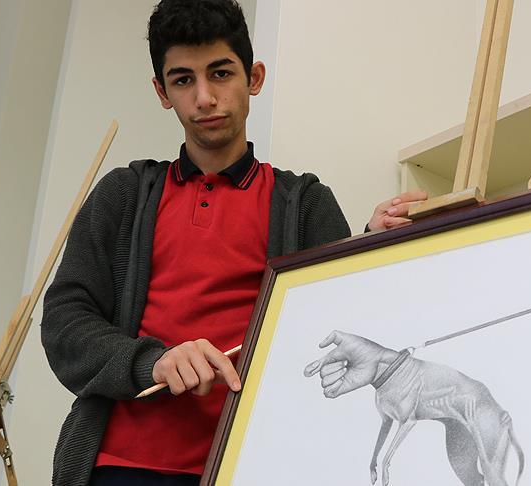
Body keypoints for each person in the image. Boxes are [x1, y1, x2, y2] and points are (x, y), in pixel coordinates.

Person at [41, 1, 426, 484]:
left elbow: (335, 326)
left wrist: (372, 247)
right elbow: (65, 321)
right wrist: (154, 361)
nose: (204, 97)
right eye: (183, 80)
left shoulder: (304, 202)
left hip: (253, 465)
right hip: (119, 466)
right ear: (162, 92)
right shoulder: (123, 194)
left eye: (220, 73)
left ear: (254, 78)